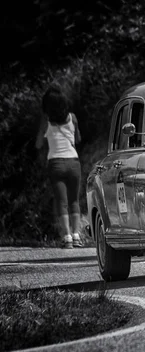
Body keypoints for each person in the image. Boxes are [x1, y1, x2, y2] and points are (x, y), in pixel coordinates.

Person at [35, 85, 83, 248]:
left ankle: (67, 237)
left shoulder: (46, 121)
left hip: (56, 164)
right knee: (74, 200)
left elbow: (38, 144)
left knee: (61, 202)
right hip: (73, 162)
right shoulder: (73, 118)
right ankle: (77, 235)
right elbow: (78, 139)